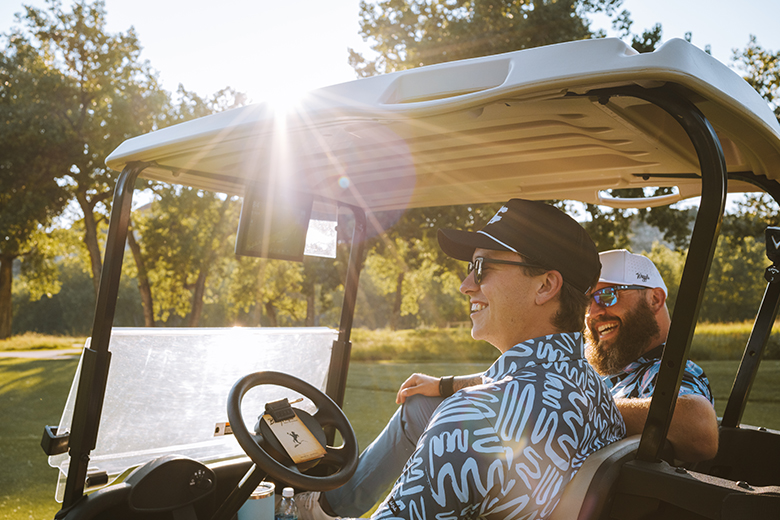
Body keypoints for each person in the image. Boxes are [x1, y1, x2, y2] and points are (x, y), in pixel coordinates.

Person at [297, 199, 626, 520]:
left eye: (482, 268)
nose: (465, 285)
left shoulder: (472, 418)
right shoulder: (593, 389)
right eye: (471, 268)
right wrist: (443, 387)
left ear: (545, 285)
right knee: (419, 406)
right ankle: (325, 508)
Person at [583, 249, 718, 462]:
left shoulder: (665, 372)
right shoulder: (615, 370)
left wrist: (580, 409)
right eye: (586, 302)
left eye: (607, 295)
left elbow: (698, 427)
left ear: (654, 299)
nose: (592, 312)